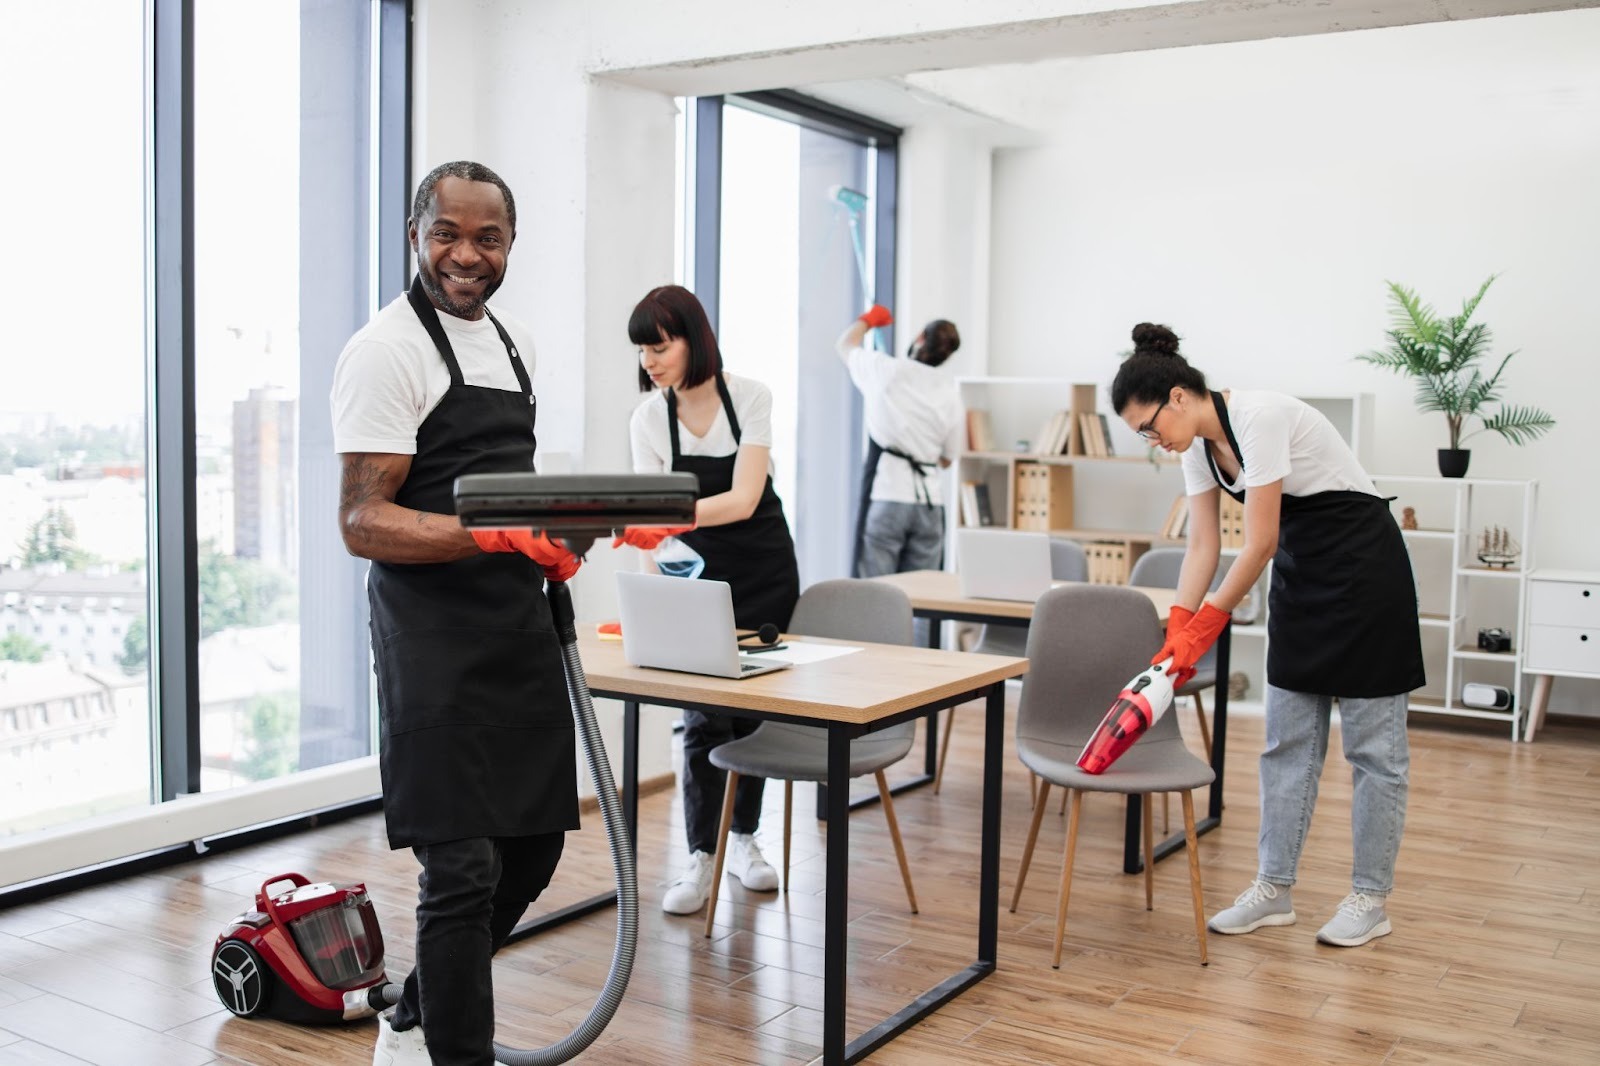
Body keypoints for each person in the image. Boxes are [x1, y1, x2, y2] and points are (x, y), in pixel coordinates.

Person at [333, 160, 582, 1066]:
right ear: (415, 233)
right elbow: (363, 520)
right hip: (431, 638)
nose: (466, 255)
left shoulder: (504, 345)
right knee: (463, 870)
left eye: (489, 237)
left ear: (512, 244)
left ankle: (410, 1014)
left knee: (533, 855)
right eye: (448, 233)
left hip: (514, 626)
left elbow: (506, 496)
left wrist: (566, 534)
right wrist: (499, 536)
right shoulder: (385, 349)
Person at [1111, 322, 1423, 949]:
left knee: (1373, 753)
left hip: (1364, 571)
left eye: (1150, 428)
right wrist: (1179, 622)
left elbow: (1259, 542)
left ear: (1178, 397)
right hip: (1304, 579)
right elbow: (1204, 543)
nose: (1153, 442)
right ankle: (1274, 889)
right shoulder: (1196, 448)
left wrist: (1207, 626)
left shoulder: (1260, 417)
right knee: (1286, 743)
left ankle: (1369, 898)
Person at [617, 284, 800, 916]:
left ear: (695, 338)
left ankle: (745, 841)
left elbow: (745, 499)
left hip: (763, 569)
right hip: (693, 579)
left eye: (659, 345)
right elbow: (649, 525)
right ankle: (702, 854)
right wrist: (651, 599)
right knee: (701, 719)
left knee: (751, 713)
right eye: (642, 349)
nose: (649, 360)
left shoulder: (749, 397)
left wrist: (667, 516)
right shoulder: (648, 419)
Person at [835, 305, 964, 579]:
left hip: (888, 495)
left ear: (919, 338)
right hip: (929, 504)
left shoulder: (886, 370)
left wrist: (868, 321)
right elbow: (948, 458)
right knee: (922, 597)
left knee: (876, 596)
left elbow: (844, 345)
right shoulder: (950, 393)